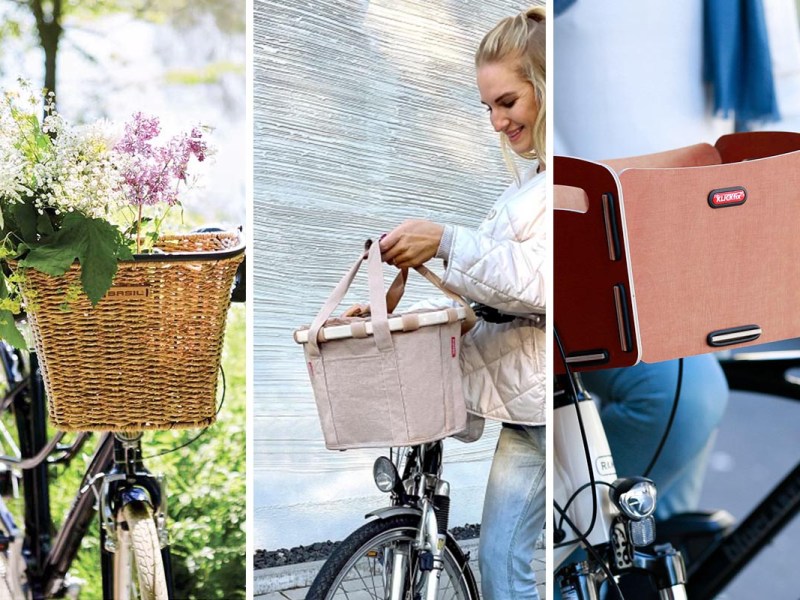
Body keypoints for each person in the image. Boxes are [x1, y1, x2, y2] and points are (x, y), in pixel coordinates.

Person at [377, 7, 546, 599]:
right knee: (502, 565)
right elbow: (504, 296)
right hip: (529, 408)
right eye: (488, 108)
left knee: (507, 564)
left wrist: (446, 239)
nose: (498, 121)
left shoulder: (558, 183)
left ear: (546, 88)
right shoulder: (525, 188)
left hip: (549, 408)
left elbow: (541, 282)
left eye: (508, 101)